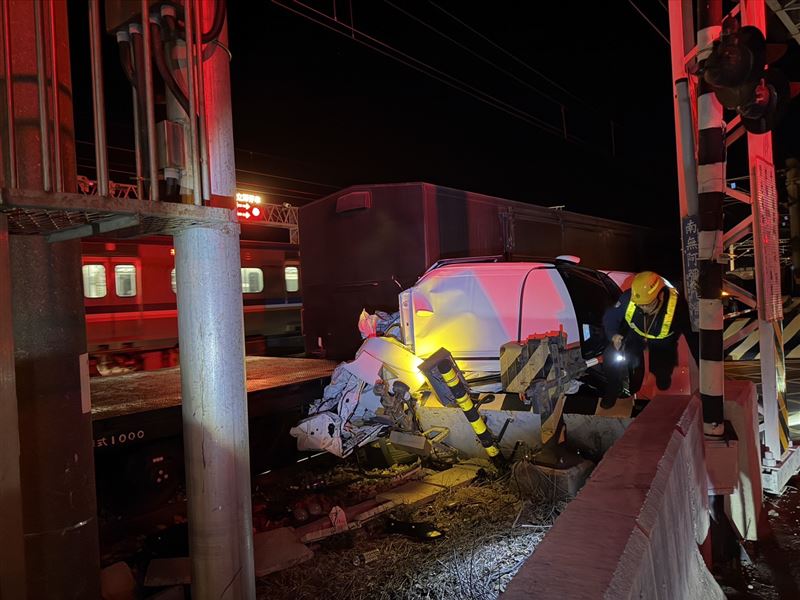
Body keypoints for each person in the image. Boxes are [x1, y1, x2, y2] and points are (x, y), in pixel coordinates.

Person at [600, 271, 698, 408]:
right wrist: (614, 335)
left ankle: (662, 373)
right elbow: (610, 317)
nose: (643, 308)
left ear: (661, 296)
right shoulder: (629, 298)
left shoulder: (678, 308)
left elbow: (692, 336)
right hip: (634, 334)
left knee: (662, 376)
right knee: (611, 355)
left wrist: (702, 361)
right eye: (639, 305)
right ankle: (613, 388)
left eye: (647, 304)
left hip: (662, 342)